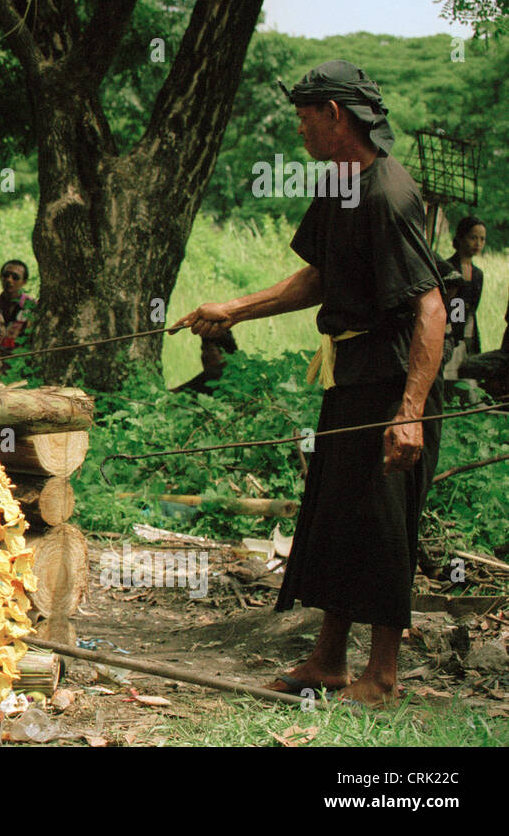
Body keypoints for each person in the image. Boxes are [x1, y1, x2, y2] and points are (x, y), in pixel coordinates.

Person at [176, 60, 446, 708]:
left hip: (394, 382)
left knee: (383, 525)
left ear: (337, 116)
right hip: (349, 375)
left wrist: (409, 413)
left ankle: (380, 676)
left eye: (305, 116)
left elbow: (431, 308)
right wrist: (233, 309)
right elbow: (317, 277)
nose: (299, 128)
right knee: (332, 515)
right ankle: (328, 659)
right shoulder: (340, 185)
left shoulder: (389, 192)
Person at [441, 215, 486, 380]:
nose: (478, 243)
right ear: (460, 238)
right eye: (473, 237)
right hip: (448, 331)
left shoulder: (478, 274)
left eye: (482, 239)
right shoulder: (447, 268)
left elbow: (473, 309)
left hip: (468, 332)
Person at [0, 259, 37, 352]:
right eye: (6, 275)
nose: (9, 280)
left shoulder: (32, 307)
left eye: (15, 277)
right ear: (0, 277)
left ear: (24, 281)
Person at [172, 329, 238, 394]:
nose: (204, 356)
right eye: (203, 350)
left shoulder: (240, 385)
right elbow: (174, 393)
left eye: (209, 351)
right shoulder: (205, 379)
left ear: (225, 355)